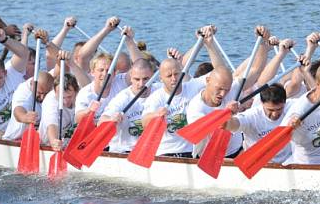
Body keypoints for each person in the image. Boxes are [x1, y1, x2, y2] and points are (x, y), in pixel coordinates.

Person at [185, 26, 271, 158]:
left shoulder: (232, 88)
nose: (223, 94)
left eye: (227, 89)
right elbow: (209, 133)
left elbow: (256, 69)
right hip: (208, 157)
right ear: (208, 80)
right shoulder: (196, 107)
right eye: (219, 89)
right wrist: (226, 113)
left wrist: (263, 43)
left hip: (235, 153)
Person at [140, 26, 227, 158]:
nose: (174, 79)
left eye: (176, 74)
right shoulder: (156, 98)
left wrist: (210, 43)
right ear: (160, 78)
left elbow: (220, 71)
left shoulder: (193, 86)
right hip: (166, 153)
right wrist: (156, 115)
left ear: (182, 72)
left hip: (191, 151)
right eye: (169, 76)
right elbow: (144, 123)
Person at [98, 58, 156, 154]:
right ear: (131, 77)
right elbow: (100, 122)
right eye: (137, 79)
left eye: (146, 79)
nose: (141, 84)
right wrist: (111, 119)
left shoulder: (159, 91)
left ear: (152, 76)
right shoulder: (122, 98)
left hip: (148, 151)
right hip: (124, 151)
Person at [40, 73, 80, 150]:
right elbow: (51, 125)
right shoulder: (50, 101)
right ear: (55, 92)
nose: (65, 101)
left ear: (76, 91)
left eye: (69, 97)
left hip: (68, 144)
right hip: (47, 144)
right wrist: (54, 141)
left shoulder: (80, 95)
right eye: (62, 97)